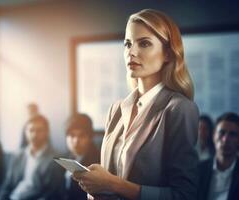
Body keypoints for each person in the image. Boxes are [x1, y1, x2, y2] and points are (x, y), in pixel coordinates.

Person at [73, 9, 199, 200]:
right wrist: (95, 185)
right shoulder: (116, 109)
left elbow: (184, 195)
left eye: (144, 43)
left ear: (167, 53)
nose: (131, 52)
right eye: (128, 44)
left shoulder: (179, 109)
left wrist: (112, 184)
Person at [0, 115, 64, 200]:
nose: (34, 134)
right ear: (25, 132)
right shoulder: (18, 155)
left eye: (39, 130)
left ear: (47, 132)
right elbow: (7, 185)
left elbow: (52, 192)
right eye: (31, 130)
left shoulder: (55, 158)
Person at [197, 112, 239, 200]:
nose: (225, 139)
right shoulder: (197, 170)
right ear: (213, 136)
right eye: (222, 133)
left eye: (232, 134)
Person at [63, 113, 100, 200]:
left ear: (90, 137)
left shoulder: (97, 161)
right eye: (72, 135)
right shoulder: (65, 156)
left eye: (82, 136)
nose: (76, 141)